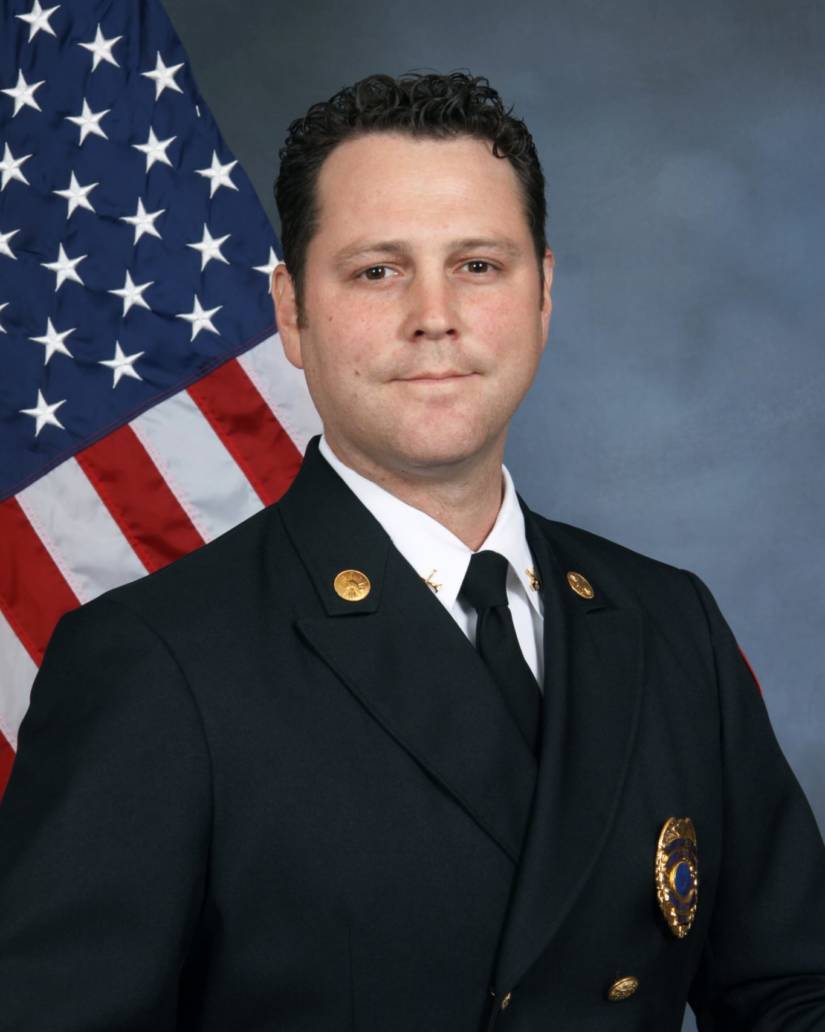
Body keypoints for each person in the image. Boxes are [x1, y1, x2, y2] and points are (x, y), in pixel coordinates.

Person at [0, 71, 823, 1032]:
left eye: (478, 265)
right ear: (292, 314)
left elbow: (791, 990)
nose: (435, 315)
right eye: (376, 270)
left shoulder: (668, 622)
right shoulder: (155, 659)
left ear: (544, 293)